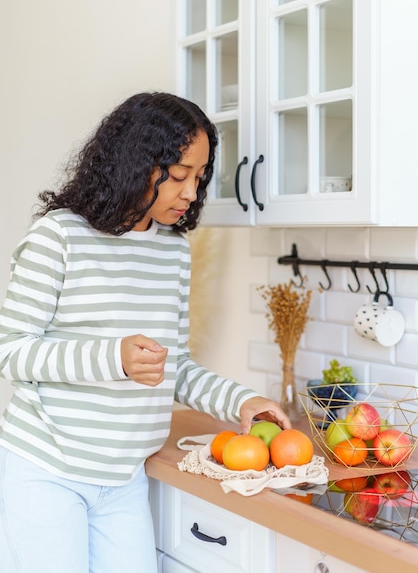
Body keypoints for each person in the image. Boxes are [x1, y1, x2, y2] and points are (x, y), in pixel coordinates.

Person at [0, 92, 291, 573]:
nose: (191, 193)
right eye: (179, 176)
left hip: (124, 477)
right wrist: (112, 358)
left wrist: (240, 402)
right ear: (135, 163)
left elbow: (171, 366)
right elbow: (11, 351)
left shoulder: (172, 252)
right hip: (46, 472)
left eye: (199, 177)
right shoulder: (59, 237)